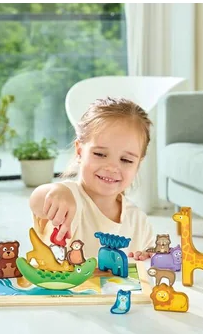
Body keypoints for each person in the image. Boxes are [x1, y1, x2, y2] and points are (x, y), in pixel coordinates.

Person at [29, 96, 156, 262]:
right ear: (79, 152)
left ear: (138, 164)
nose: (112, 167)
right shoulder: (68, 197)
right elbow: (37, 200)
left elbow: (152, 262)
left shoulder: (138, 220)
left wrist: (149, 258)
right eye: (100, 154)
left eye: (126, 160)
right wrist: (58, 190)